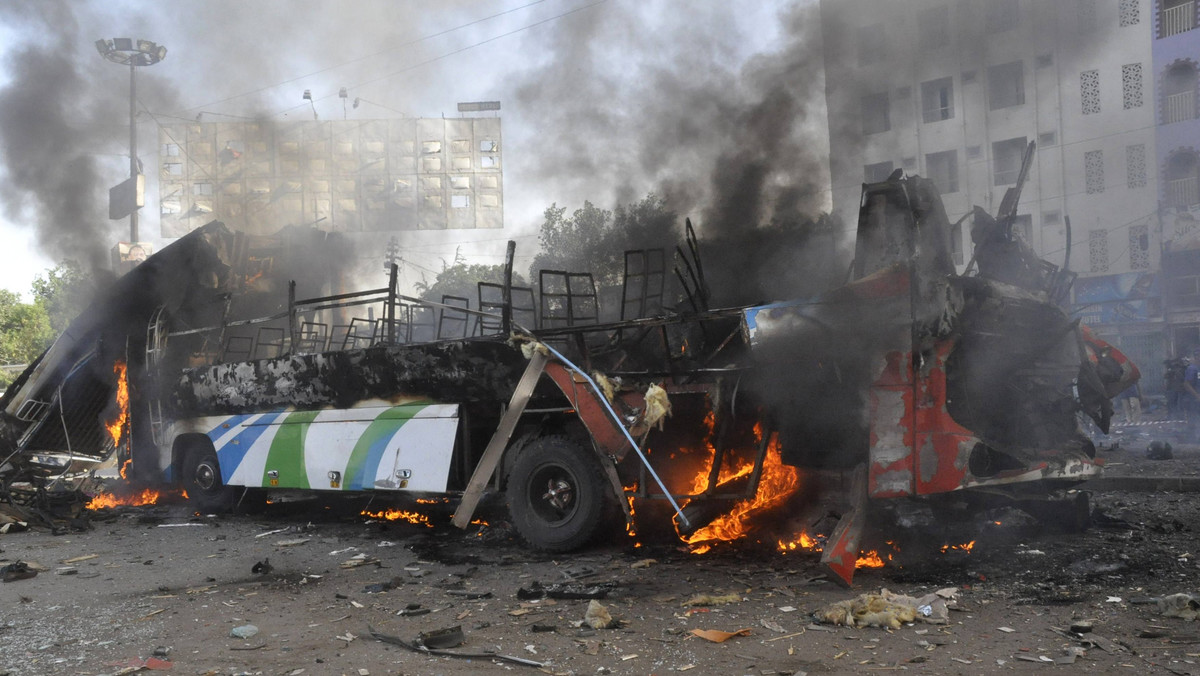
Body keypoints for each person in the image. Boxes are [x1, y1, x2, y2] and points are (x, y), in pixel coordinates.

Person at [1185, 347, 1200, 443]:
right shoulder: (1192, 369)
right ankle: (1193, 440)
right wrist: (1197, 395)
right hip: (1194, 400)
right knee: (1194, 420)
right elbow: (1186, 384)